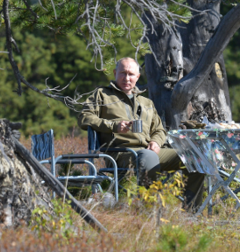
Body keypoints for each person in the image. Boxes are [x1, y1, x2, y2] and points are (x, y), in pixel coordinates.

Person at [78, 57, 205, 210]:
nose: (126, 78)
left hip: (149, 151)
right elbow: (84, 118)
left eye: (131, 74)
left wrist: (156, 142)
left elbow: (159, 130)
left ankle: (191, 212)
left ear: (138, 77)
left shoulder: (146, 103)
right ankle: (149, 211)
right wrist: (114, 126)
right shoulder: (102, 95)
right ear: (114, 73)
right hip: (120, 153)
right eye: (122, 73)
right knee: (148, 157)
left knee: (196, 157)